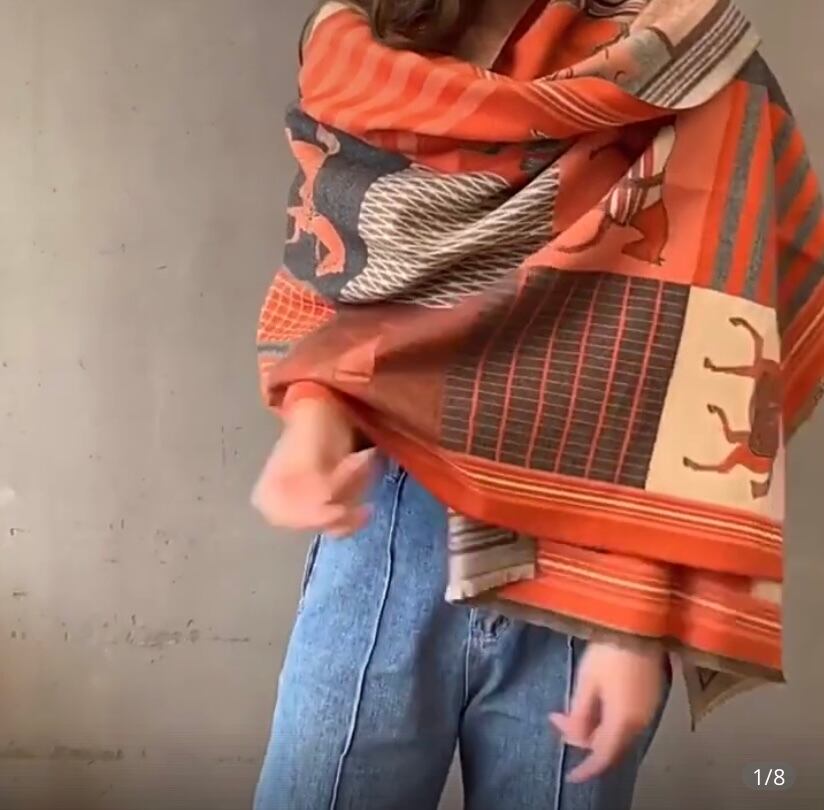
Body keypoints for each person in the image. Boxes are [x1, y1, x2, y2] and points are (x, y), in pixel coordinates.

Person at [251, 1, 824, 808]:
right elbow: (337, 275)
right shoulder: (365, 47)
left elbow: (721, 333)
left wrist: (633, 614)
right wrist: (313, 420)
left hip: (597, 554)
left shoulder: (690, 56)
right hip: (390, 525)